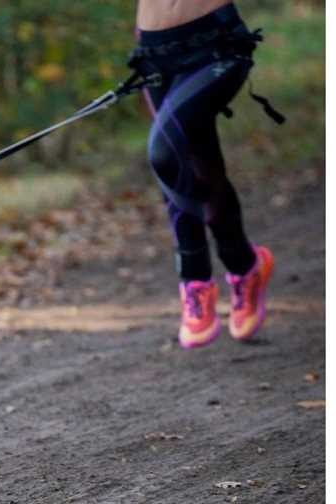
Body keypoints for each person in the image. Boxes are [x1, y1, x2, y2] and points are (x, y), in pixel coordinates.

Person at [132, 1, 278, 348]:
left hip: (216, 44)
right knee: (195, 160)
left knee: (165, 152)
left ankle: (194, 276)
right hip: (154, 51)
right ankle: (245, 266)